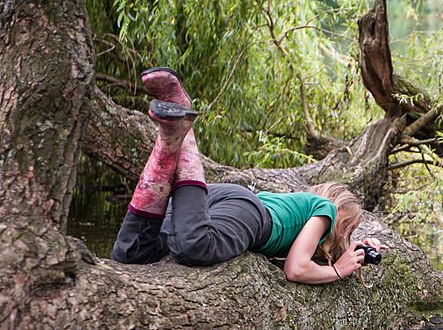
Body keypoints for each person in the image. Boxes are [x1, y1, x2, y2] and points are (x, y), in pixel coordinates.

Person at [110, 67, 385, 284]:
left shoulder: (298, 212)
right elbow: (296, 269)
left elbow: (319, 250)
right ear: (339, 213)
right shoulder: (325, 210)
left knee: (131, 254)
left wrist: (359, 246)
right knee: (193, 247)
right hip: (247, 212)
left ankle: (169, 139)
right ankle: (184, 133)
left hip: (218, 200)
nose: (346, 234)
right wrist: (338, 271)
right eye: (349, 227)